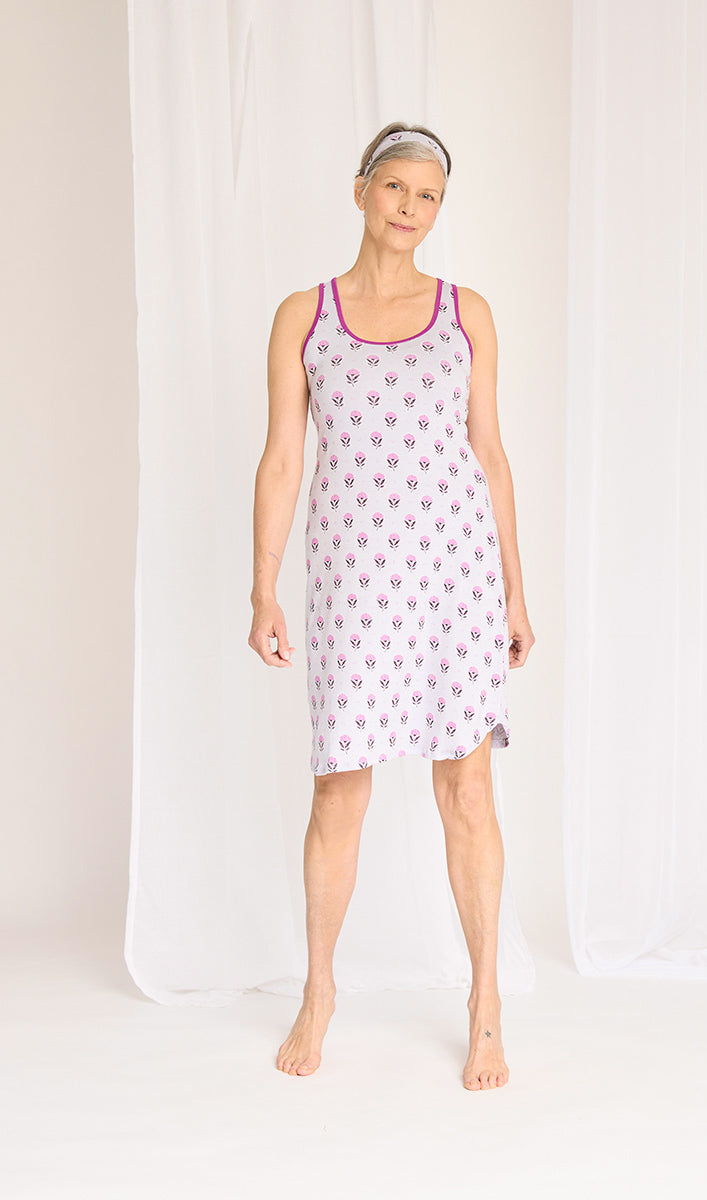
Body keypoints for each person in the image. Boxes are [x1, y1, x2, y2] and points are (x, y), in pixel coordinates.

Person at [248, 121, 535, 1090]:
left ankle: (485, 1001)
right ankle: (319, 990)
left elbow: (489, 453)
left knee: (467, 788)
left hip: (455, 575)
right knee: (339, 788)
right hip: (353, 581)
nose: (410, 209)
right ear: (361, 190)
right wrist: (263, 583)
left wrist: (515, 589)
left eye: (428, 197)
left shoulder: (465, 312)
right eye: (395, 189)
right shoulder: (305, 315)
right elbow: (283, 458)